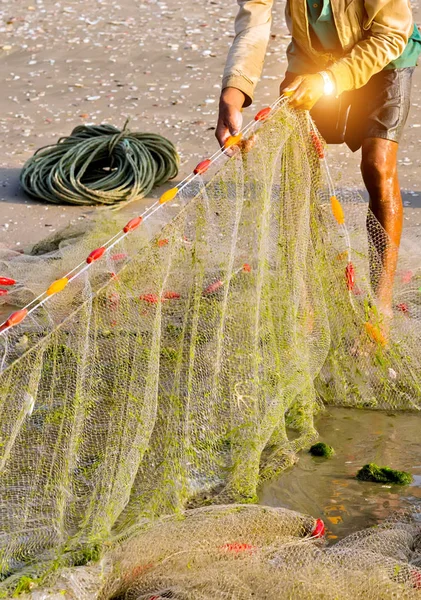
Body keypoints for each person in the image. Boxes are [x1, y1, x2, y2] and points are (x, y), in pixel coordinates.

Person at [216, 0, 421, 321]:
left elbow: (391, 35)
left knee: (378, 167)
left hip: (386, 56)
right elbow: (253, 23)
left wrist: (328, 81)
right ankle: (305, 295)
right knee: (296, 165)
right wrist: (234, 92)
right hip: (313, 58)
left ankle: (381, 308)